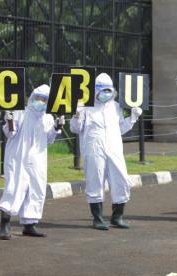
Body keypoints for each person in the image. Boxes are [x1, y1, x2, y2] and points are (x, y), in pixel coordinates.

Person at [70, 73, 142, 230]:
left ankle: (117, 217)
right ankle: (97, 218)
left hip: (114, 149)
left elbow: (121, 129)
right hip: (94, 149)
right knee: (95, 181)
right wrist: (76, 114)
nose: (106, 94)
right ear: (95, 91)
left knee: (121, 180)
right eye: (102, 90)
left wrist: (132, 118)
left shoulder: (116, 107)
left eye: (108, 90)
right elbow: (75, 128)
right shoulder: (86, 107)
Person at [0, 84, 63, 240]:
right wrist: (10, 119)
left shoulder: (47, 118)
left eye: (45, 99)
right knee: (13, 188)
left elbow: (49, 139)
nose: (41, 102)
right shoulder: (20, 112)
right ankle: (4, 225)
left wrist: (56, 126)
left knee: (36, 189)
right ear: (32, 97)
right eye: (38, 98)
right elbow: (10, 133)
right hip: (17, 158)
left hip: (38, 160)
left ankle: (29, 224)